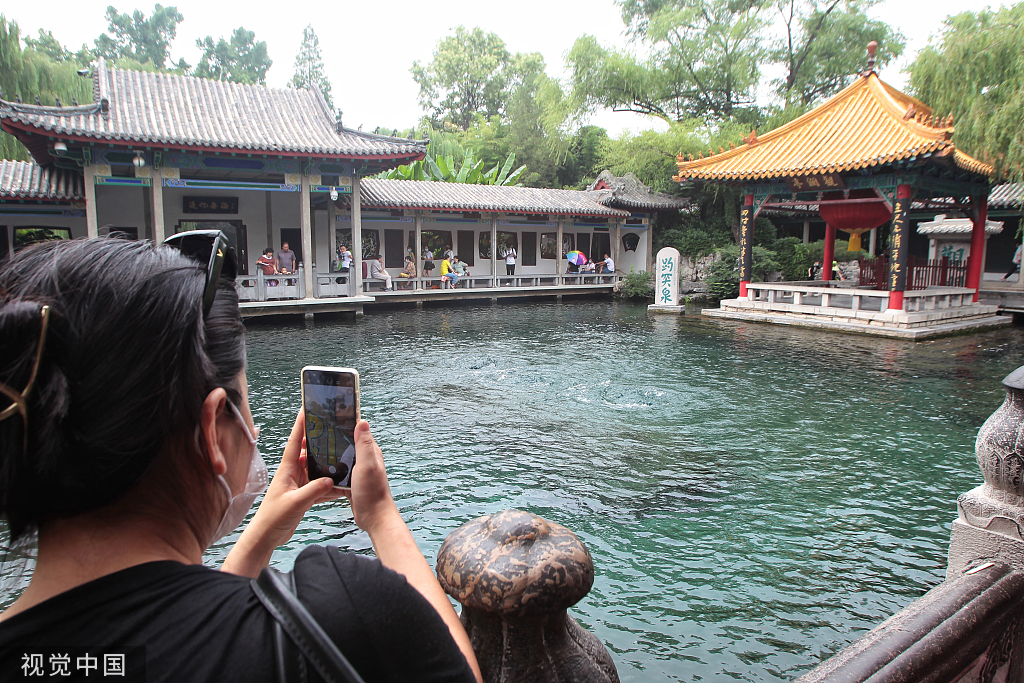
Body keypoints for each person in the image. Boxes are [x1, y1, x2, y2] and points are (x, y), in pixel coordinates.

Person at [0, 237, 481, 683]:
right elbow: (455, 668)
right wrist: (381, 517)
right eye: (244, 404)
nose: (251, 432)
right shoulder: (335, 615)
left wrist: (264, 533)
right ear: (212, 430)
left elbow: (172, 635)